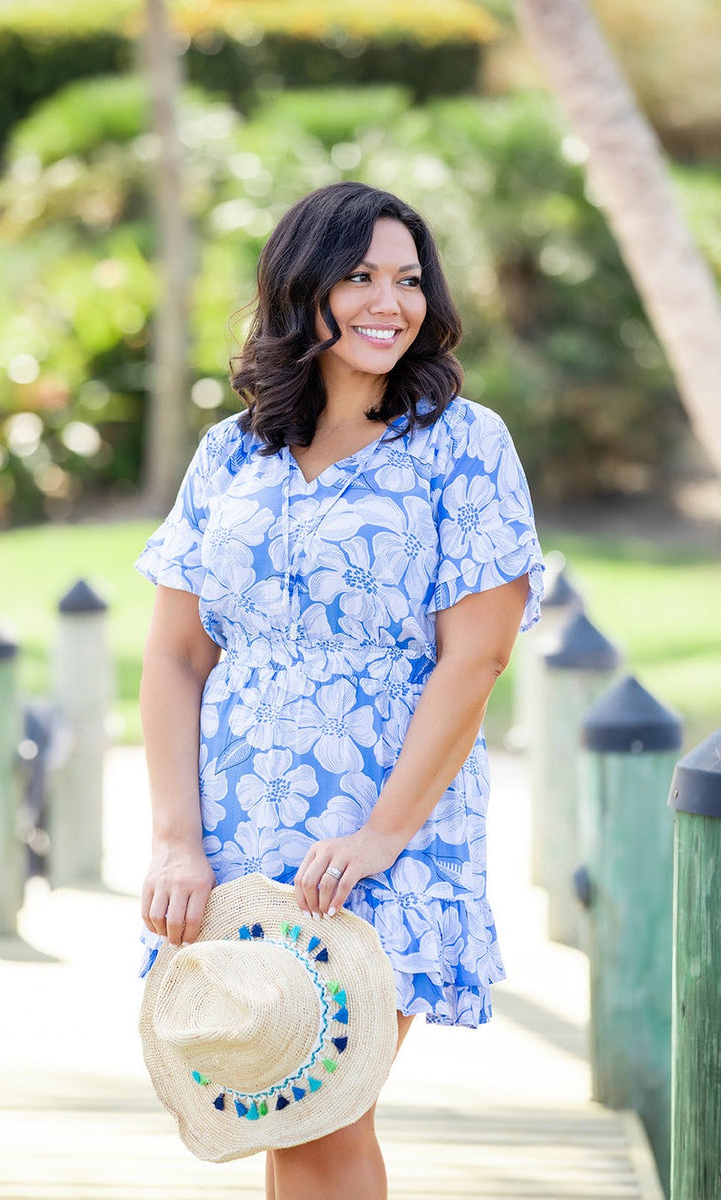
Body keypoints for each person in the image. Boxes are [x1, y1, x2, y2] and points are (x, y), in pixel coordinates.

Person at [136, 180, 544, 1199]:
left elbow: (475, 659)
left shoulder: (464, 446)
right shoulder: (230, 455)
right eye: (358, 275)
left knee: (322, 1112)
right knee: (285, 1109)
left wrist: (379, 837)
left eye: (407, 280)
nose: (388, 302)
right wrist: (178, 839)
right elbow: (176, 655)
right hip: (241, 835)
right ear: (300, 289)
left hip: (382, 835)